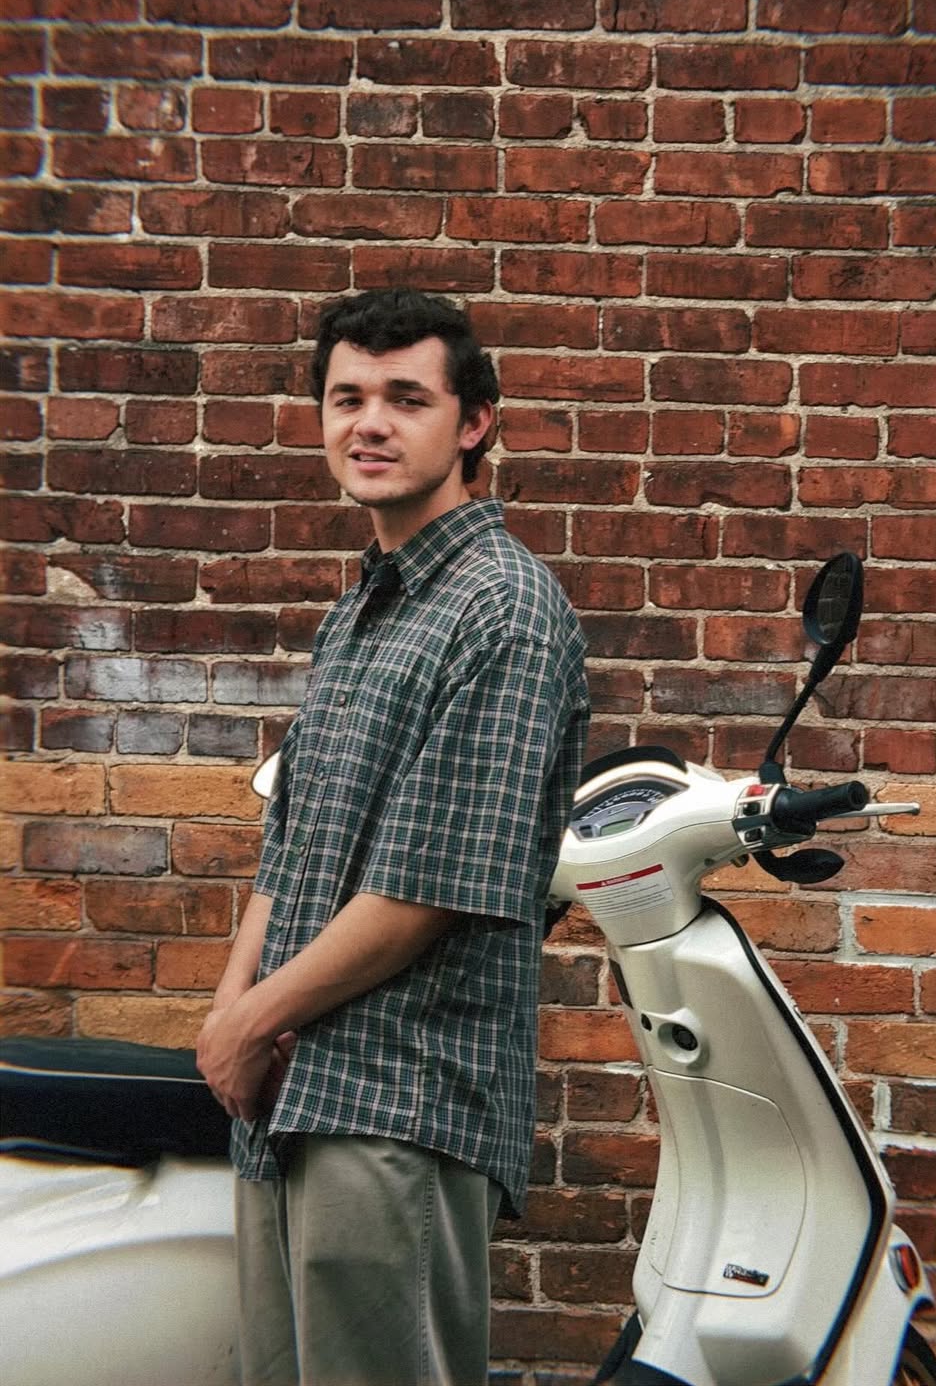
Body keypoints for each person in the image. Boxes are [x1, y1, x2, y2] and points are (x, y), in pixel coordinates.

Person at [196, 288, 590, 1386]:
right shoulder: (363, 610)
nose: (369, 423)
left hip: (397, 1104)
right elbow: (292, 845)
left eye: (407, 399)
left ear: (475, 423)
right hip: (288, 1092)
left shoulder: (504, 610)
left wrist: (250, 1023)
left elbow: (429, 891)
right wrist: (232, 1018)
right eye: (347, 398)